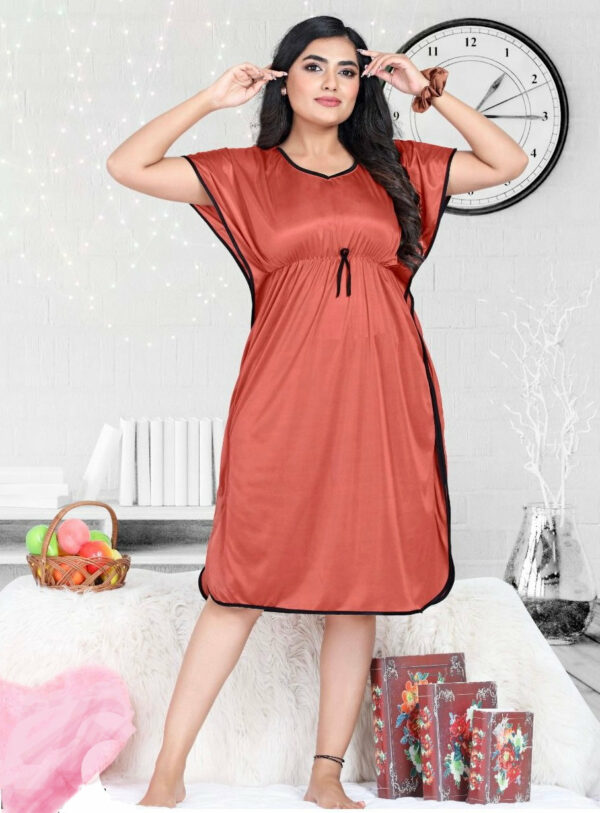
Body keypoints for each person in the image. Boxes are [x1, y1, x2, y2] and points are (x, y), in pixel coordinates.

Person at [106, 14, 528, 810]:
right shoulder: (246, 173)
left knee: (357, 585)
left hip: (382, 397)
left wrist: (428, 92)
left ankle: (325, 773)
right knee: (239, 584)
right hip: (282, 398)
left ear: (363, 84)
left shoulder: (400, 167)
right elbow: (128, 164)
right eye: (313, 66)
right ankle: (167, 773)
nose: (331, 82)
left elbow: (510, 160)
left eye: (346, 70)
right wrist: (210, 99)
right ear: (283, 80)